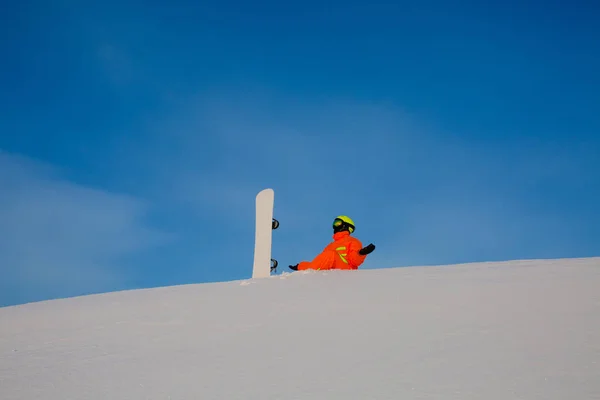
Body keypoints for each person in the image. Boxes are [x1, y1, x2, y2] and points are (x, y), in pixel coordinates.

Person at [289, 215, 376, 271]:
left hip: (347, 270)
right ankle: (307, 272)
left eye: (338, 223)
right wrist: (300, 266)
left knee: (331, 255)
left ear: (346, 226)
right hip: (331, 271)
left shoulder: (353, 241)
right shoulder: (330, 245)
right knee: (327, 256)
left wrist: (361, 253)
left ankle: (310, 275)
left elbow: (355, 261)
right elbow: (319, 263)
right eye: (334, 223)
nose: (335, 226)